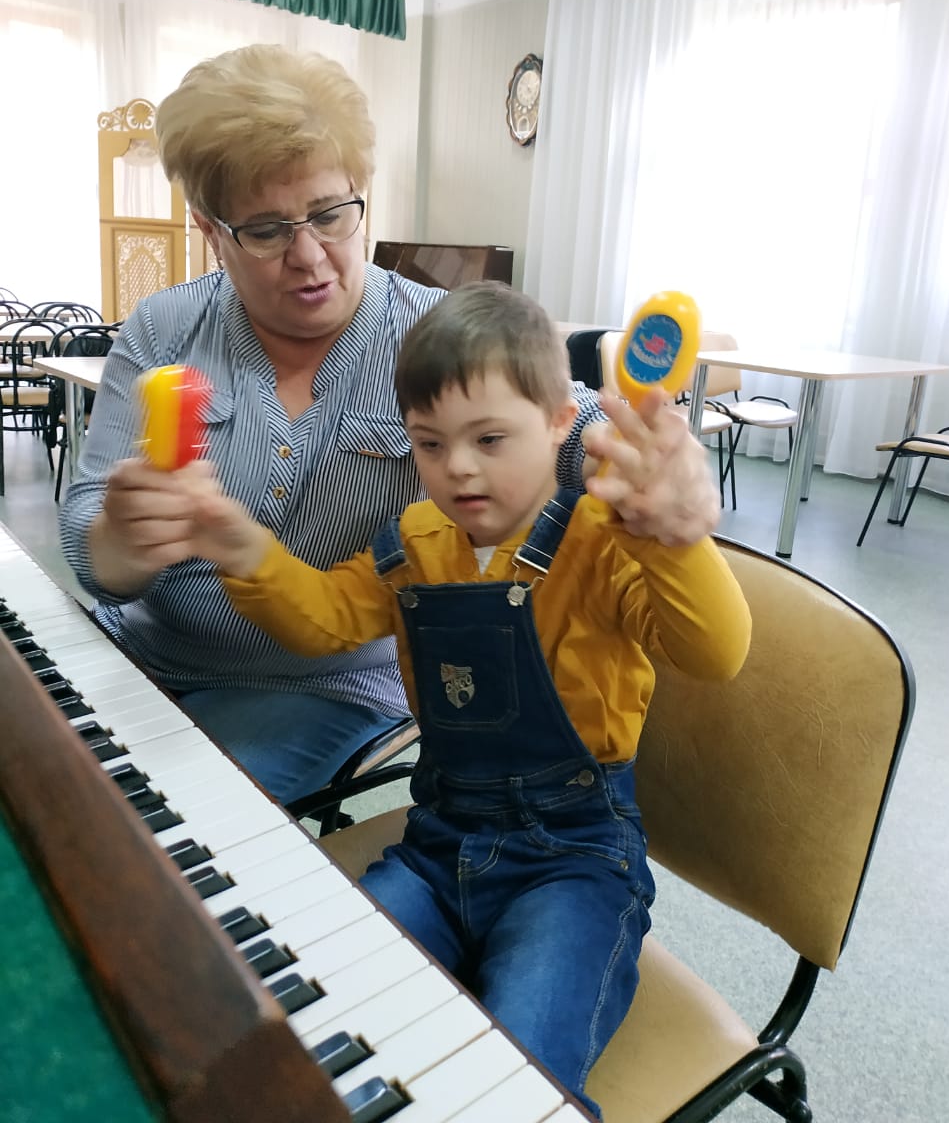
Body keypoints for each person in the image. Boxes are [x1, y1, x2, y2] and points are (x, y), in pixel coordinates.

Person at [59, 42, 722, 809]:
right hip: (136, 652)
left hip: (324, 687)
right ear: (211, 230)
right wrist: (122, 541)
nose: (310, 256)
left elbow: (558, 428)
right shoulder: (164, 329)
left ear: (361, 192)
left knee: (141, 822)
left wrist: (650, 469)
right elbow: (88, 540)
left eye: (330, 214)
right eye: (267, 230)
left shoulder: (434, 336)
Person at [169, 282, 752, 1118]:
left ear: (561, 422)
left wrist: (678, 542)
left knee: (517, 1080)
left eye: (489, 438)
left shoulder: (607, 541)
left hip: (576, 862)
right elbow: (325, 619)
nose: (459, 467)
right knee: (317, 1008)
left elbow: (716, 653)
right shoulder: (416, 542)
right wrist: (242, 548)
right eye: (429, 443)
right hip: (438, 844)